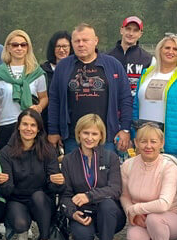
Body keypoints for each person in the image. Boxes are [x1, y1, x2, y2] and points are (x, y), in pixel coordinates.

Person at [47, 23, 133, 155]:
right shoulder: (63, 67)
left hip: (106, 137)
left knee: (105, 168)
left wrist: (125, 129)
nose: (81, 44)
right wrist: (53, 130)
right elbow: (54, 100)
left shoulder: (113, 65)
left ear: (95, 41)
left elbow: (125, 98)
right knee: (73, 168)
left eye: (85, 40)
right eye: (77, 41)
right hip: (72, 138)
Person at [59, 114, 125, 240]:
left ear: (101, 136)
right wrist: (72, 213)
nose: (89, 138)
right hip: (83, 212)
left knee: (107, 203)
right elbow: (66, 195)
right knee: (82, 237)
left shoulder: (111, 157)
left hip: (108, 213)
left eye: (94, 134)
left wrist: (89, 196)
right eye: (86, 133)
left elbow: (115, 189)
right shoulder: (68, 160)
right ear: (78, 134)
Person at [120, 124, 177, 240]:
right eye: (143, 141)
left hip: (171, 218)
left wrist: (135, 209)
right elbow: (124, 195)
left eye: (153, 141)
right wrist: (131, 212)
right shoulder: (128, 165)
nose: (148, 146)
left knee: (155, 219)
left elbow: (164, 204)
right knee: (135, 238)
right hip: (141, 217)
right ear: (136, 143)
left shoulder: (169, 167)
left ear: (161, 143)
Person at [0, 109, 61, 240]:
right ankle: (22, 232)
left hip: (42, 199)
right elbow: (7, 191)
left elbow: (53, 188)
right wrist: (2, 183)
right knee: (20, 224)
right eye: (25, 124)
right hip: (17, 198)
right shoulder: (6, 151)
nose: (28, 129)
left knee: (38, 196)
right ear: (18, 126)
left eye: (33, 125)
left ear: (38, 129)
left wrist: (58, 182)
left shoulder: (48, 150)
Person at [132, 33, 177, 163]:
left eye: (175, 49)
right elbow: (136, 106)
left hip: (172, 148)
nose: (170, 52)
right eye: (167, 48)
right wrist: (134, 135)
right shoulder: (146, 74)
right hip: (145, 144)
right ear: (160, 49)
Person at [0, 29, 48, 151]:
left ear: (28, 48)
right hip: (5, 126)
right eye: (15, 45)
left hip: (30, 126)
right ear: (8, 48)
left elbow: (44, 98)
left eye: (23, 44)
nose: (19, 48)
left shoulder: (36, 73)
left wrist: (39, 107)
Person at [109, 15, 153, 101]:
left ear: (140, 34)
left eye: (135, 30)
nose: (131, 33)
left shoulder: (149, 60)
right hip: (113, 106)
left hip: (136, 106)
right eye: (128, 29)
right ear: (121, 30)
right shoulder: (107, 57)